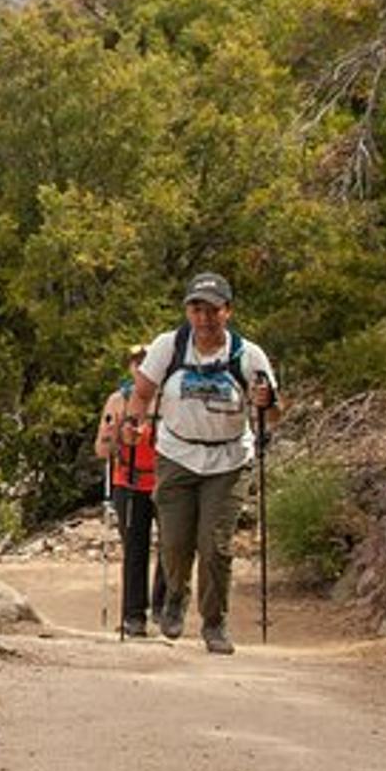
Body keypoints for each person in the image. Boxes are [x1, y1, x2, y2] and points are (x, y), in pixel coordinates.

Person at [123, 272, 279, 655]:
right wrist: (132, 422)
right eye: (196, 309)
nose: (204, 318)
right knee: (175, 542)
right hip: (176, 455)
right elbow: (142, 394)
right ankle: (175, 595)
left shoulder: (248, 355)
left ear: (228, 311)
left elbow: (272, 415)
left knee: (215, 545)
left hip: (228, 459)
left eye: (212, 309)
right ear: (187, 311)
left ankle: (214, 623)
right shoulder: (169, 346)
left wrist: (267, 401)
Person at [95, 343, 164, 637]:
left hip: (167, 482)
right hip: (129, 482)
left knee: (174, 547)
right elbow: (102, 449)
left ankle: (164, 608)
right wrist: (116, 436)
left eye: (146, 362)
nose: (140, 367)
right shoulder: (117, 400)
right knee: (135, 550)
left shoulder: (168, 399)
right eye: (135, 362)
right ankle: (134, 616)